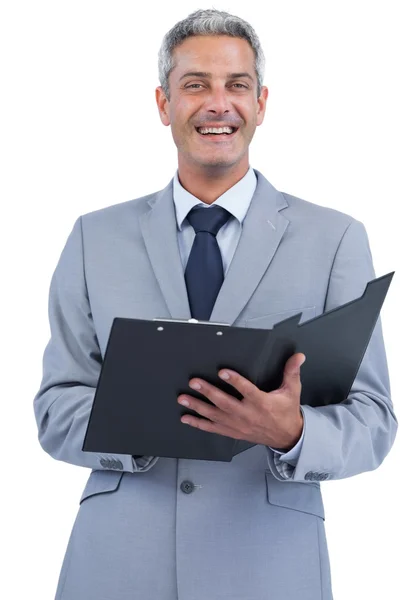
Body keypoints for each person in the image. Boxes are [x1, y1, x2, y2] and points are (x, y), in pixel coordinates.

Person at [33, 8, 397, 600]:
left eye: (237, 86)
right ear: (163, 103)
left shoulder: (335, 239)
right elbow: (55, 407)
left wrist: (294, 431)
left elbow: (375, 419)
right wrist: (136, 424)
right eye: (195, 85)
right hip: (119, 564)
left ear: (261, 103)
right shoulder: (93, 238)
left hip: (270, 564)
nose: (217, 104)